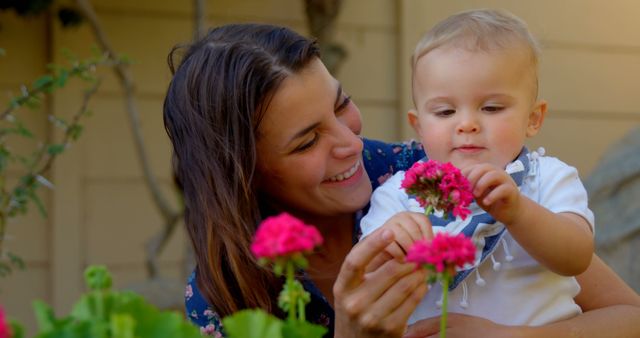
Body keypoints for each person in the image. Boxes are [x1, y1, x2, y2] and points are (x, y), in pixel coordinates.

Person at [163, 23, 640, 337]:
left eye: (340, 104)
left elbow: (627, 314)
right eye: (307, 142)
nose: (350, 143)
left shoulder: (431, 174)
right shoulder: (224, 296)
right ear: (247, 174)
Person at [360, 9, 595, 326]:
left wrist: (519, 212)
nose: (467, 124)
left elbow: (576, 257)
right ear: (418, 125)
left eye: (491, 107)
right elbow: (366, 279)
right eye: (445, 112)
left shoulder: (549, 177)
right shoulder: (401, 194)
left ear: (533, 118)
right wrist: (394, 241)